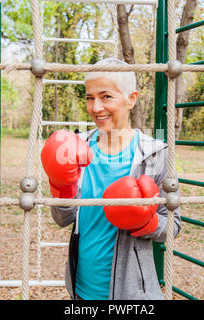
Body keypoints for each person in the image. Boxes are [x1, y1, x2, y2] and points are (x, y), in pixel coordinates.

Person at [41, 57, 181, 300]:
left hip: (132, 294)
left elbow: (173, 226)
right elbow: (63, 220)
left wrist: (145, 222)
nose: (96, 108)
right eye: (89, 97)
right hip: (81, 289)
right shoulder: (75, 147)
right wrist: (61, 187)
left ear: (131, 99)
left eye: (106, 97)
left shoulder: (155, 153)